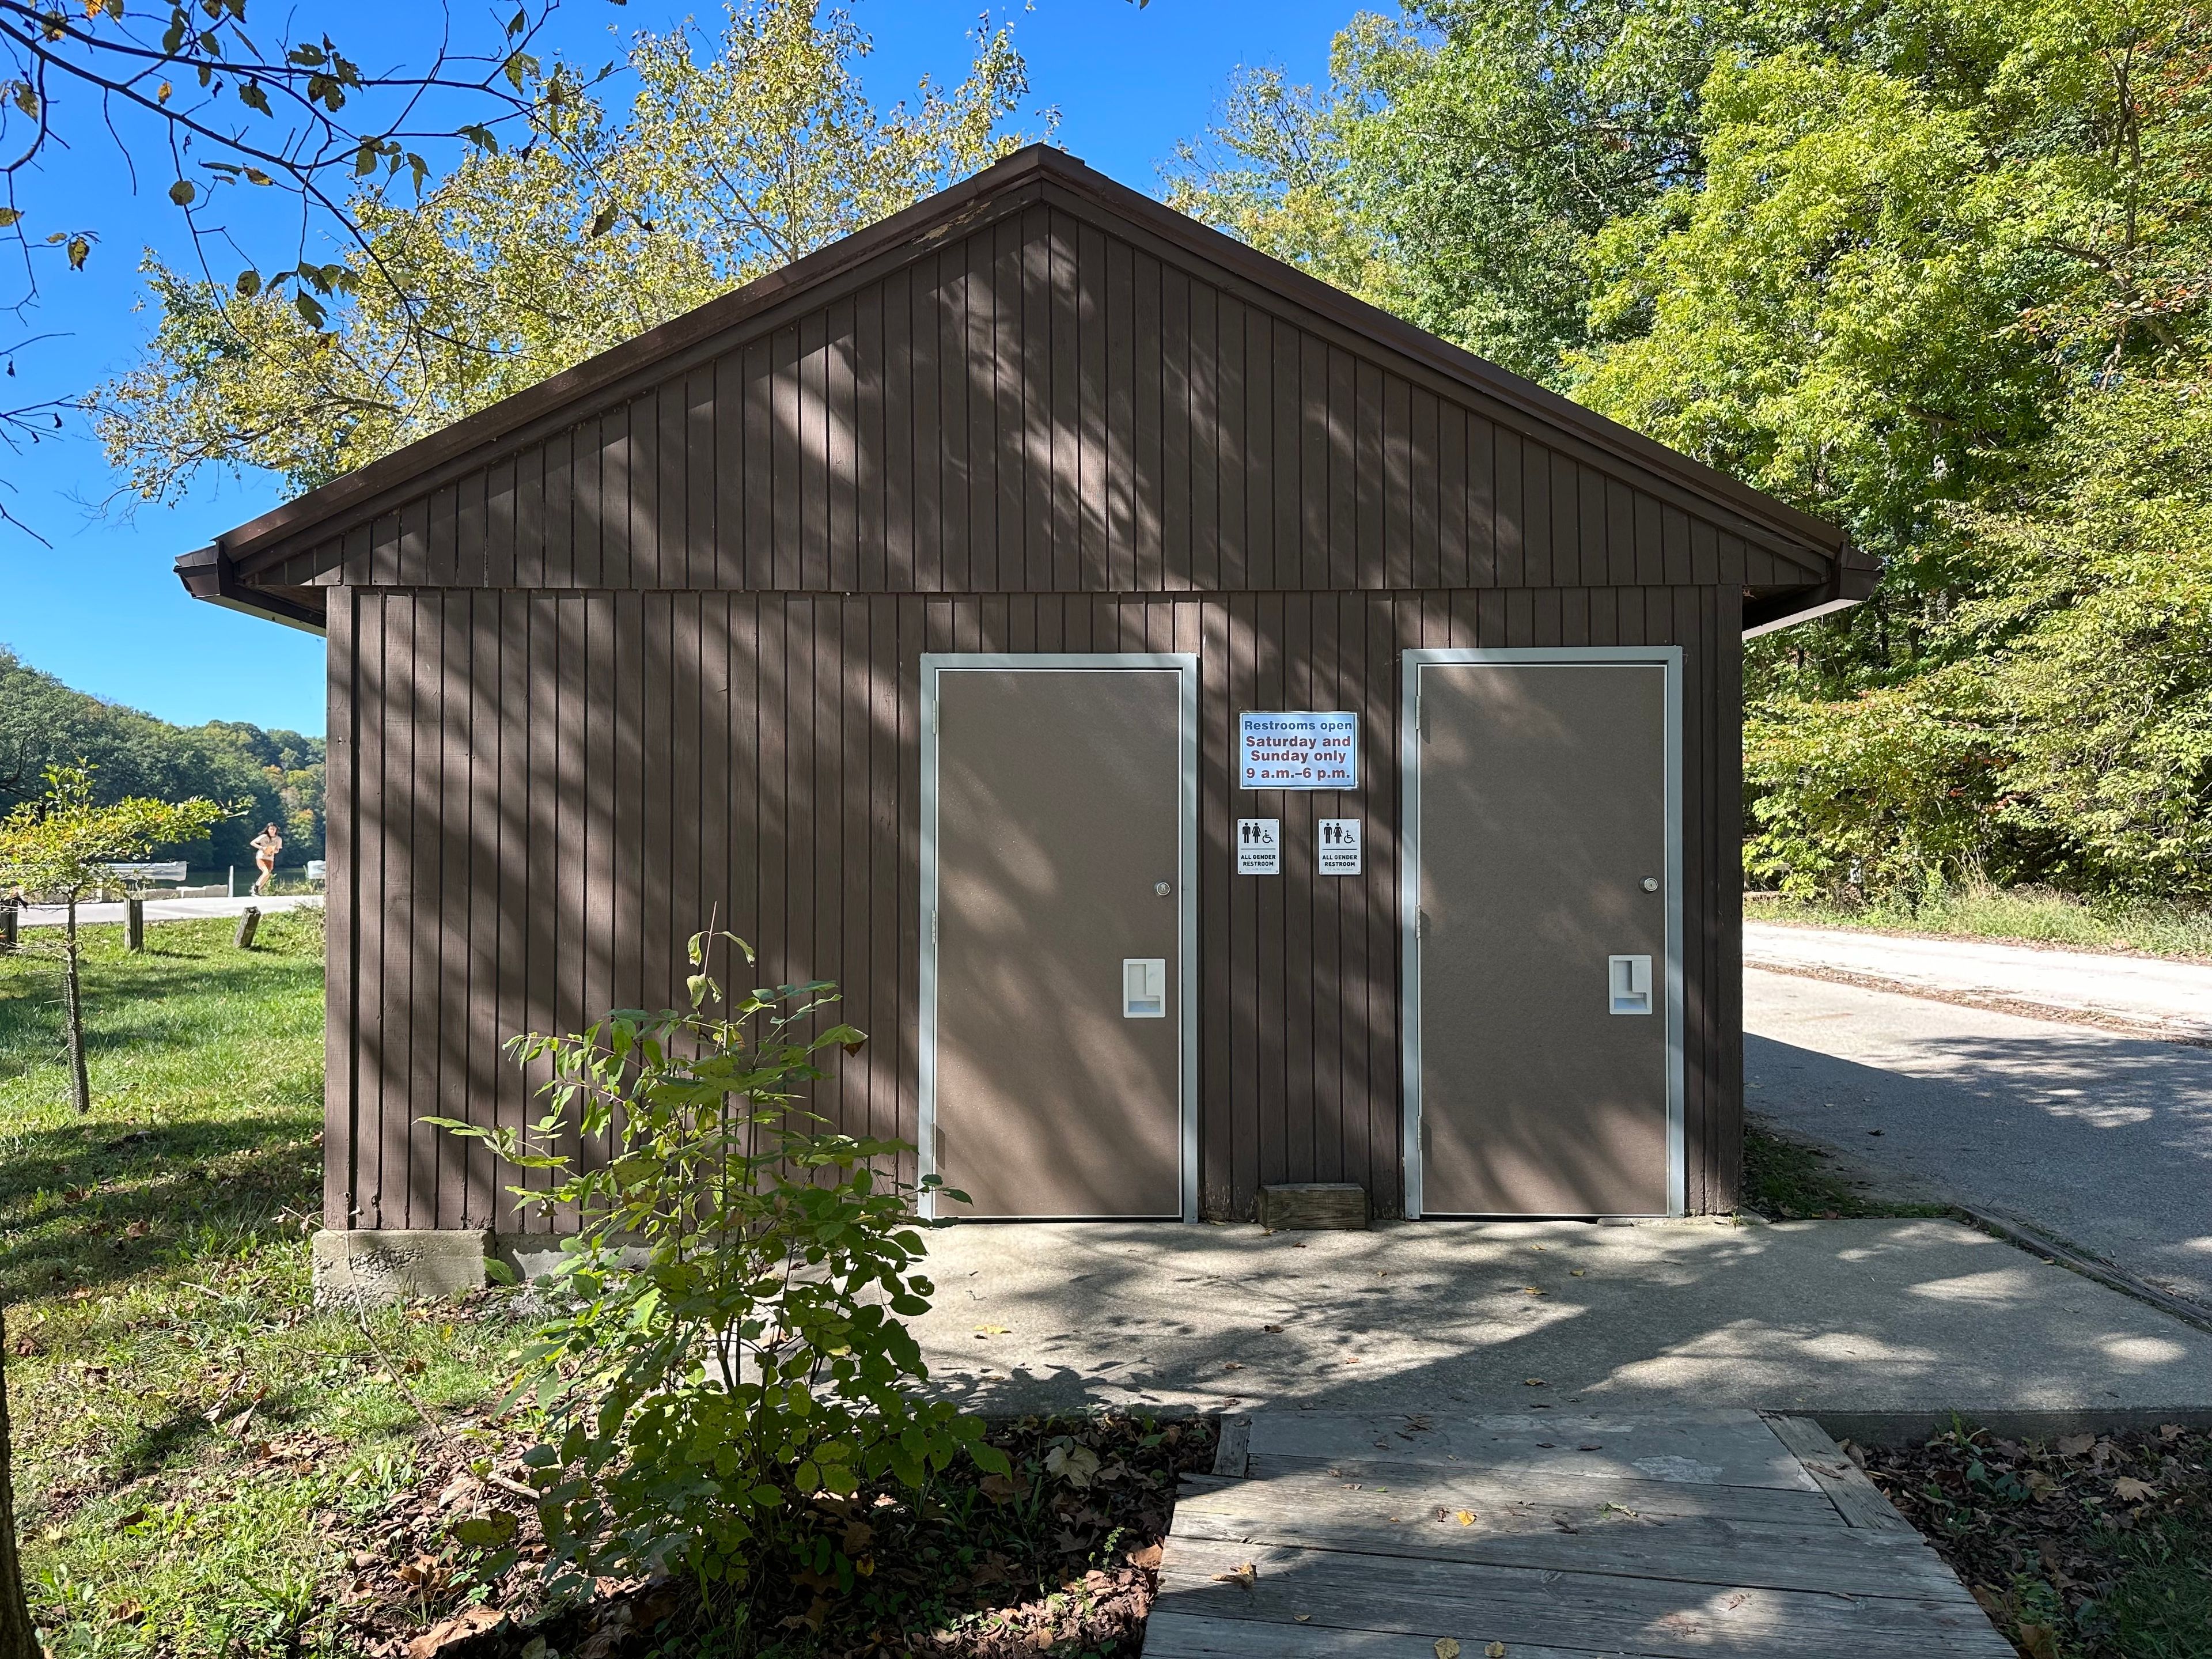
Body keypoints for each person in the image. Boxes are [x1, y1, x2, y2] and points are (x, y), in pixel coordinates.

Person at [249, 823, 284, 895]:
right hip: (261, 857)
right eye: (271, 829)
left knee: (267, 875)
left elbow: (278, 850)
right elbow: (252, 843)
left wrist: (273, 850)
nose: (272, 831)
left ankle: (256, 891)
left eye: (274, 829)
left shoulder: (279, 839)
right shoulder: (264, 837)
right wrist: (262, 848)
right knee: (266, 872)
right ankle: (257, 885)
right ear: (268, 830)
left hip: (270, 859)